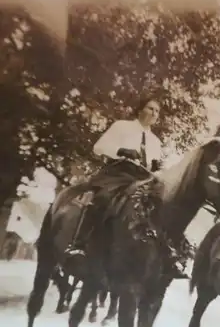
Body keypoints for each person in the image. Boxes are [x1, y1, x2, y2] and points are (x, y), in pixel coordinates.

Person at [63, 94, 188, 278]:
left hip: (143, 178)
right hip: (118, 173)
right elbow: (99, 147)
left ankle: (168, 253)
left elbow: (153, 166)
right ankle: (78, 246)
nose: (154, 113)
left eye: (157, 111)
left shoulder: (156, 141)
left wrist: (158, 168)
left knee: (162, 204)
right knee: (102, 198)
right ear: (140, 110)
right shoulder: (122, 126)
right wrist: (120, 151)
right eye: (150, 108)